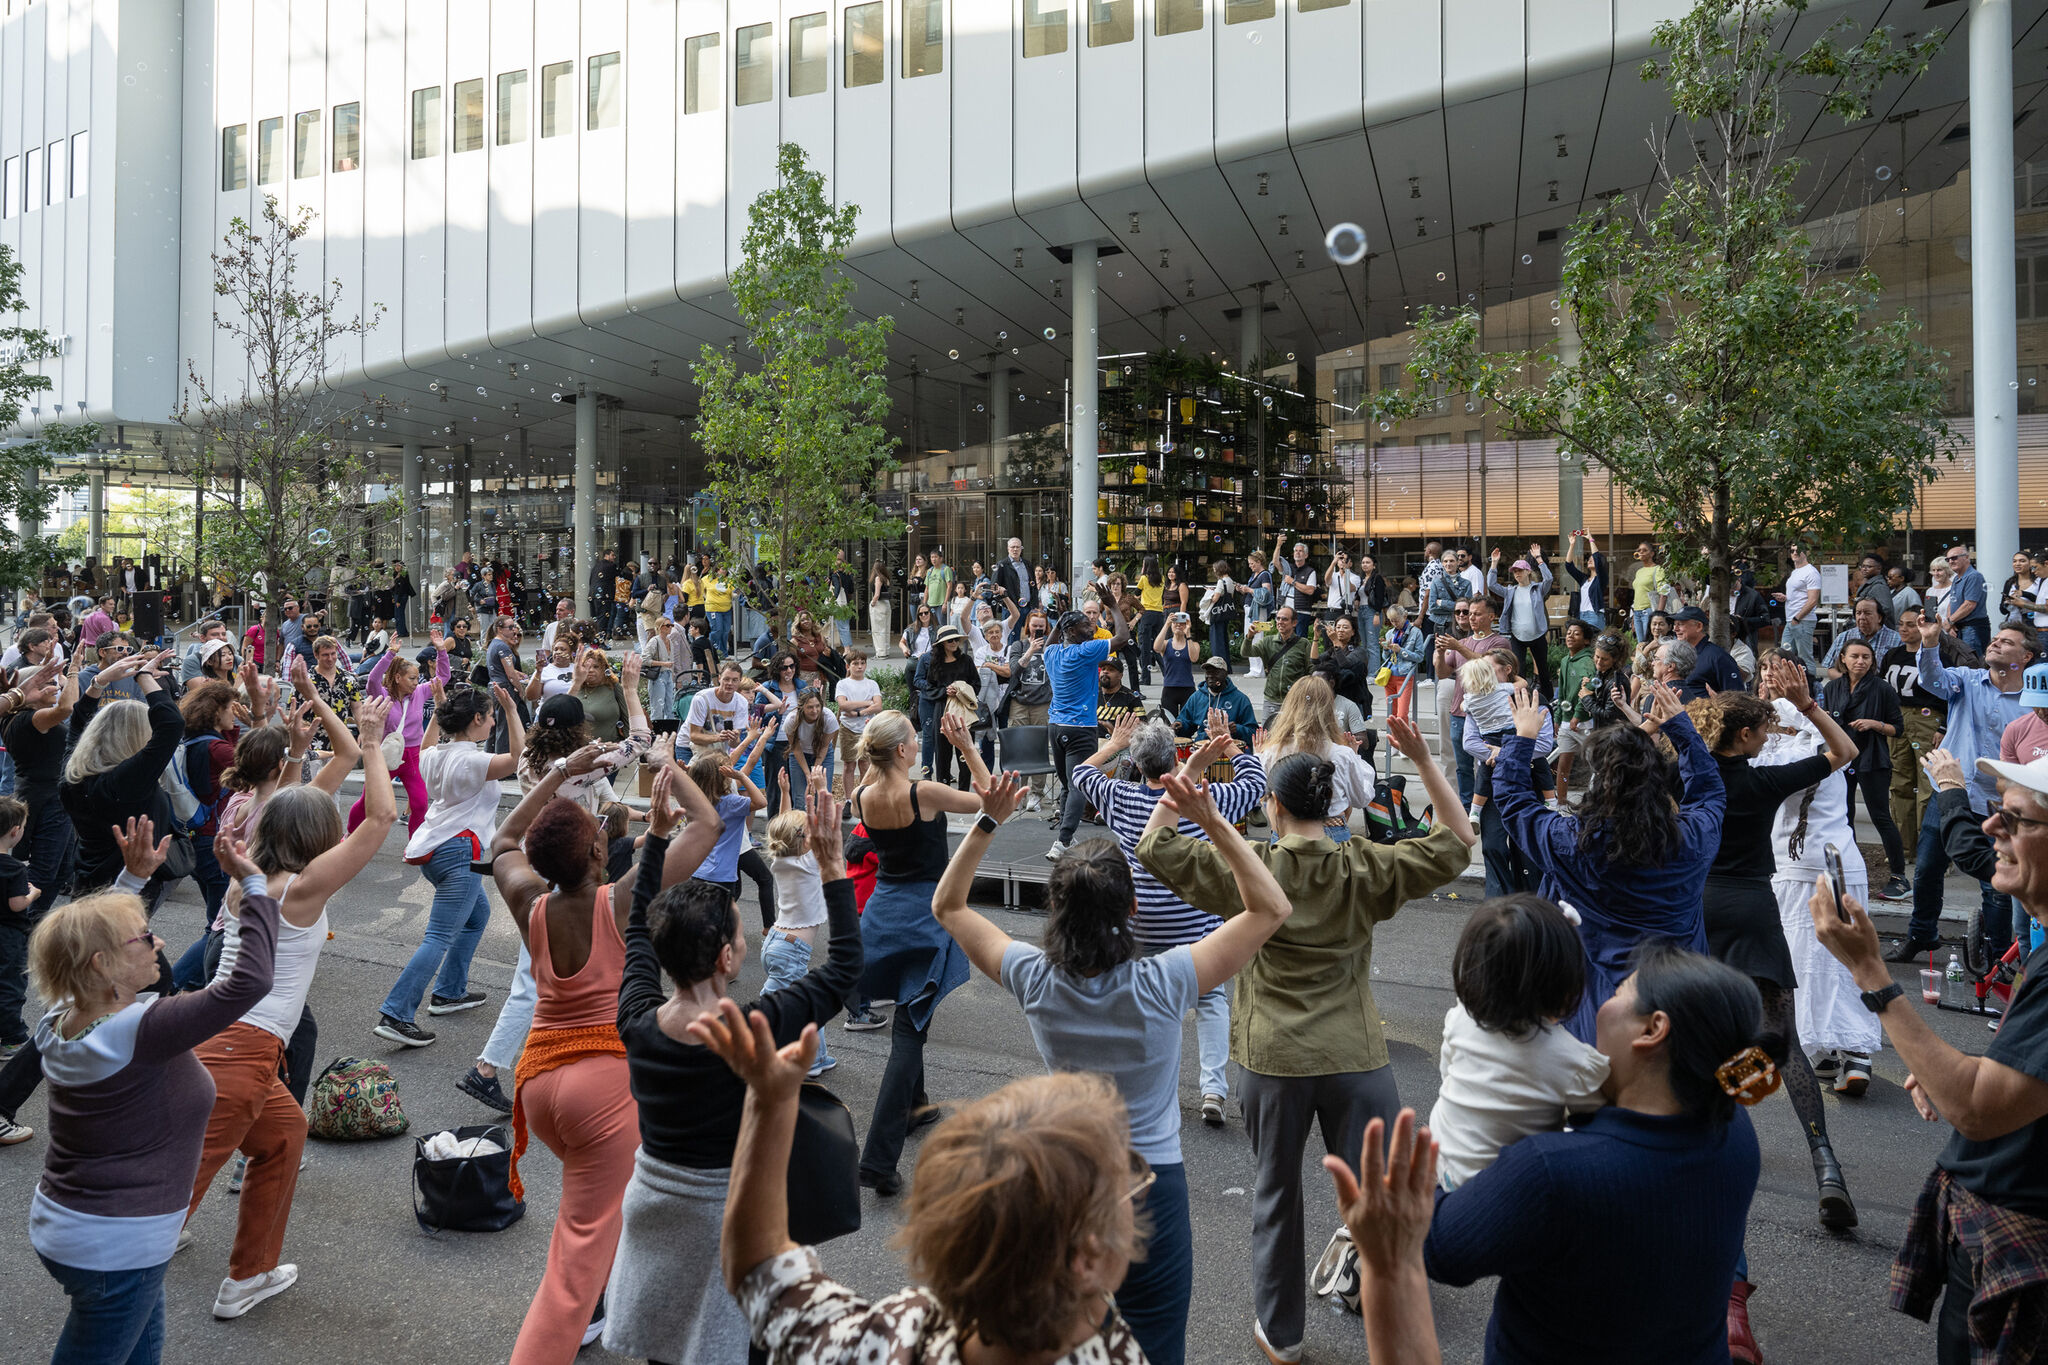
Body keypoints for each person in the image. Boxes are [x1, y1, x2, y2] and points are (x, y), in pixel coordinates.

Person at [1138, 722, 1477, 1363]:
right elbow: (1458, 843)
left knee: (1276, 1196)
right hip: (1356, 1056)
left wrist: (1190, 781)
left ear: (1274, 806)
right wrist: (1427, 762)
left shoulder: (1252, 868)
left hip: (1273, 1057)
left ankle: (1282, 1336)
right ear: (1335, 808)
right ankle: (1389, 1322)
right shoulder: (1366, 865)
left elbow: (1157, 844)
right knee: (1377, 1205)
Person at [932, 767, 1291, 1365]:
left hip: (1063, 1177)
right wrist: (1212, 825)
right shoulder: (1167, 979)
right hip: (1152, 1187)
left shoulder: (1033, 975)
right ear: (1131, 905)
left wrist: (987, 821)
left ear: (1055, 907)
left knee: (1053, 1337)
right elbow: (1270, 908)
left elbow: (948, 904)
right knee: (1156, 1344)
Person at [705, 1003, 1151, 1365]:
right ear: (1087, 1259)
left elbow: (760, 1270)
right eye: (1126, 1179)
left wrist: (769, 1102)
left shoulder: (892, 1339)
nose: (1137, 1184)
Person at [602, 767, 852, 1364]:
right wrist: (835, 870)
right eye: (741, 938)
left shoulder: (637, 1015)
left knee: (666, 1340)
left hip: (653, 1203)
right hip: (728, 1213)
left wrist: (659, 837)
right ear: (725, 956)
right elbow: (842, 970)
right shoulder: (755, 1030)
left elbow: (636, 922)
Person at [1807, 756, 2048, 1364]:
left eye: (2015, 819)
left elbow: (1975, 1105)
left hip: (2020, 1250)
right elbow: (2004, 1086)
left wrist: (1870, 971)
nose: (1993, 829)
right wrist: (1951, 1063)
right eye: (1996, 812)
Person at [1424, 941, 1767, 1365]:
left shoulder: (1553, 1173)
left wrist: (1438, 1161)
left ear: (1652, 1029)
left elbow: (1441, 1251)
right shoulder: (1734, 1132)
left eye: (1620, 991)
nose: (1603, 1002)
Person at [28, 820, 279, 1365]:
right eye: (144, 939)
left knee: (141, 1348)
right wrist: (254, 886)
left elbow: (87, 944)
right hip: (115, 1244)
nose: (157, 941)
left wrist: (130, 879)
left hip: (77, 1227)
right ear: (106, 965)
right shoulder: (140, 1031)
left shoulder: (61, 1017)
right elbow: (250, 983)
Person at [180, 698, 394, 1322]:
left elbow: (284, 806)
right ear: (318, 841)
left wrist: (299, 753)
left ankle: (247, 1275)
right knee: (182, 1175)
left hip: (224, 1041)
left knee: (283, 1137)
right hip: (239, 1051)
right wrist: (374, 741)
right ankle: (130, 1258)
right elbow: (380, 819)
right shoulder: (299, 891)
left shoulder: (245, 875)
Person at [486, 740, 669, 1363]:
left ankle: (602, 1307)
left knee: (606, 1216)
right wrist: (665, 762)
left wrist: (561, 773)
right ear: (598, 851)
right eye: (597, 829)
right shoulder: (617, 901)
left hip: (539, 1087)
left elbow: (505, 842)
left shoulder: (530, 903)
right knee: (573, 1260)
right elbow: (705, 827)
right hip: (604, 1091)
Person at [1695, 670, 1862, 1241]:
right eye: (1762, 731)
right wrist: (1809, 706)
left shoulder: (1693, 777)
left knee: (1694, 1033)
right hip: (1752, 909)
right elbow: (1845, 750)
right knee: (1780, 1039)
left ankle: (1701, 1133)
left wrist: (1658, 717)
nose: (1768, 738)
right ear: (1742, 738)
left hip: (1697, 909)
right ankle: (1826, 1165)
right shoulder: (1761, 783)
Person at [1491, 681, 1726, 1039]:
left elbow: (1514, 801)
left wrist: (1522, 738)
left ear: (1600, 782)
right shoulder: (1691, 840)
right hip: (1683, 1004)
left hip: (1599, 1017)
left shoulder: (1570, 843)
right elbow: (1709, 793)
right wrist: (1681, 728)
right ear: (1657, 781)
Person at [1070, 714, 1267, 1130]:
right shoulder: (1207, 800)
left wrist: (1114, 744)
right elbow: (1256, 783)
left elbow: (1081, 773)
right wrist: (1226, 743)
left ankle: (1144, 1087)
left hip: (1140, 927)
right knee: (1211, 999)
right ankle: (1213, 1089)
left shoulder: (1119, 797)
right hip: (1196, 926)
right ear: (1177, 759)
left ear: (1138, 767)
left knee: (1147, 1003)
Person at [847, 710, 990, 1195]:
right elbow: (988, 799)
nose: (919, 743)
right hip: (927, 916)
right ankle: (878, 1160)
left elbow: (874, 767)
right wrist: (967, 745)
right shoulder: (923, 793)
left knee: (913, 1006)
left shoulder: (862, 795)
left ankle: (914, 1106)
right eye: (914, 738)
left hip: (883, 915)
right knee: (910, 1031)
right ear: (904, 750)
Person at [372, 684, 524, 1047]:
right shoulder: (473, 761)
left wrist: (439, 708)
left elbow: (426, 746)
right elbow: (519, 758)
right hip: (459, 853)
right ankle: (396, 1013)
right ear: (477, 718)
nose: (492, 724)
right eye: (489, 718)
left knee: (476, 917)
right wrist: (512, 710)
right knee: (438, 937)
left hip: (438, 849)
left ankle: (449, 992)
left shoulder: (435, 755)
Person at [1427, 895, 1609, 1191]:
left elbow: (1448, 1075)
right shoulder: (1573, 1061)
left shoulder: (1460, 1019)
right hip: (1503, 1194)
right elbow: (1601, 1126)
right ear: (1565, 981)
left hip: (1446, 1162)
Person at [1891, 614, 2038, 964]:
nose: (1995, 643)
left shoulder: (2034, 701)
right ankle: (1922, 935)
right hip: (1950, 794)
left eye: (2006, 642)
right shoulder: (1966, 680)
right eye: (1995, 638)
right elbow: (1932, 678)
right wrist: (1929, 643)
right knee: (1927, 871)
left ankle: (1997, 957)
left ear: (2026, 657)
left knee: (1997, 885)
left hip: (1999, 804)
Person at [61, 648, 184, 903]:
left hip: (87, 875)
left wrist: (99, 682)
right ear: (139, 735)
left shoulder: (73, 776)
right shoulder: (127, 782)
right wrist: (143, 677)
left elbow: (78, 722)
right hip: (126, 885)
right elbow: (172, 725)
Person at [1823, 638, 1908, 896]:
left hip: (1873, 758)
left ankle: (1899, 876)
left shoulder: (1882, 689)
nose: (1860, 661)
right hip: (1841, 759)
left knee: (1880, 816)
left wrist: (1874, 724)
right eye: (1855, 656)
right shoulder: (1833, 688)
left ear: (1873, 661)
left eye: (1866, 657)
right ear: (1843, 659)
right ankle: (1849, 868)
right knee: (1843, 815)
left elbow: (1898, 729)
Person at [1045, 601, 1129, 861]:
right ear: (1070, 631)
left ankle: (1064, 836)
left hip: (1056, 728)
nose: (1091, 626)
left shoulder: (1052, 653)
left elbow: (1049, 642)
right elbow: (1123, 637)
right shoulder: (1085, 651)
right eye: (1084, 624)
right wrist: (1114, 606)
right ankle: (1062, 842)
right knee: (1079, 784)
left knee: (1068, 785)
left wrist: (1060, 621)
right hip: (1080, 728)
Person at [354, 631, 453, 837]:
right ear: (398, 678)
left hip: (413, 755)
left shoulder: (420, 692)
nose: (417, 682)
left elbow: (443, 677)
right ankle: (349, 835)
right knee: (367, 801)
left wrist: (441, 650)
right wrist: (390, 653)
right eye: (412, 678)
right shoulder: (381, 694)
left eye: (418, 678)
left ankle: (414, 845)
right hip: (387, 755)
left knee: (420, 804)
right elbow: (373, 677)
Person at [1265, 677, 1379, 841]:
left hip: (1285, 833)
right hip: (1332, 833)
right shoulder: (1341, 754)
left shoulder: (1272, 751)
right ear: (1329, 709)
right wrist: (1354, 756)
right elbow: (1362, 798)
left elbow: (1261, 796)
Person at [1488, 547, 1557, 696]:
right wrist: (1494, 563)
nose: (1517, 574)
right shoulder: (1510, 591)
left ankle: (1548, 698)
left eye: (1520, 570)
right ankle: (1521, 699)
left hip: (1537, 635)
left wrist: (1539, 559)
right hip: (1517, 636)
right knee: (1518, 670)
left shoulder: (1537, 589)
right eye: (1514, 571)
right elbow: (1491, 585)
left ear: (1528, 572)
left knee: (1543, 670)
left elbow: (1549, 579)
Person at [1002, 613, 1053, 811]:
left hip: (1042, 703)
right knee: (1018, 748)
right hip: (1020, 703)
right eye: (1034, 625)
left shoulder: (1052, 646)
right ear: (1028, 626)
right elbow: (1014, 669)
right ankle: (1018, 792)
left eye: (1041, 625)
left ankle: (1036, 794)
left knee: (1039, 748)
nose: (1037, 629)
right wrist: (1031, 650)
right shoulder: (1019, 646)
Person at [1247, 605, 1312, 725]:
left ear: (1294, 623)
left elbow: (1311, 671)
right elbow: (1246, 652)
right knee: (1267, 736)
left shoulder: (1304, 644)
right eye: (1278, 618)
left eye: (1285, 619)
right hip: (1271, 699)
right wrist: (1250, 637)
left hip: (1295, 701)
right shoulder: (1268, 641)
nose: (1280, 622)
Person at [1175, 655, 1256, 745]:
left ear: (1225, 674)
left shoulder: (1240, 699)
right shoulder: (1196, 697)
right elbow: (1187, 724)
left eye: (1215, 672)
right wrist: (1180, 726)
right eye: (1208, 672)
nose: (1210, 675)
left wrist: (1238, 729)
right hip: (1202, 748)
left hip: (1229, 749)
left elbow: (1253, 733)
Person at [1820, 596, 1905, 675]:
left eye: (1867, 613)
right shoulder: (1843, 637)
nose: (1862, 617)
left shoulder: (1897, 640)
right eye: (1858, 613)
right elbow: (1830, 668)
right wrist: (1848, 682)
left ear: (1879, 617)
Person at [1671, 607, 1742, 700]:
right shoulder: (1677, 654)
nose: (1675, 629)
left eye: (1680, 624)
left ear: (1699, 626)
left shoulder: (1718, 657)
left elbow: (1737, 698)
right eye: (1674, 624)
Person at [1944, 544, 1991, 656]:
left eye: (1954, 558)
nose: (1951, 561)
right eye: (1948, 559)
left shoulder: (1974, 576)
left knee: (1972, 663)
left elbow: (1969, 604)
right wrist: (1951, 622)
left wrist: (1950, 621)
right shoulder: (1956, 578)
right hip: (1959, 627)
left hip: (1972, 628)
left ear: (1966, 558)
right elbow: (1952, 601)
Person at [1153, 610, 1200, 719]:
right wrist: (1166, 624)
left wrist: (1187, 633)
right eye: (1175, 622)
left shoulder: (1194, 644)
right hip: (1169, 688)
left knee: (1187, 723)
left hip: (1187, 688)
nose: (1178, 625)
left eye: (1182, 623)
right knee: (1169, 723)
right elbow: (1156, 648)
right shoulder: (1165, 644)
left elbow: (1194, 658)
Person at [1561, 531, 1608, 629]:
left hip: (1595, 615)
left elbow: (1597, 558)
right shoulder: (1584, 579)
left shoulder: (1601, 578)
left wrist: (1590, 539)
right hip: (1581, 616)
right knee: (1583, 643)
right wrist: (1572, 545)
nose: (1590, 560)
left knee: (1593, 643)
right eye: (1589, 559)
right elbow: (1569, 566)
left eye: (1592, 559)